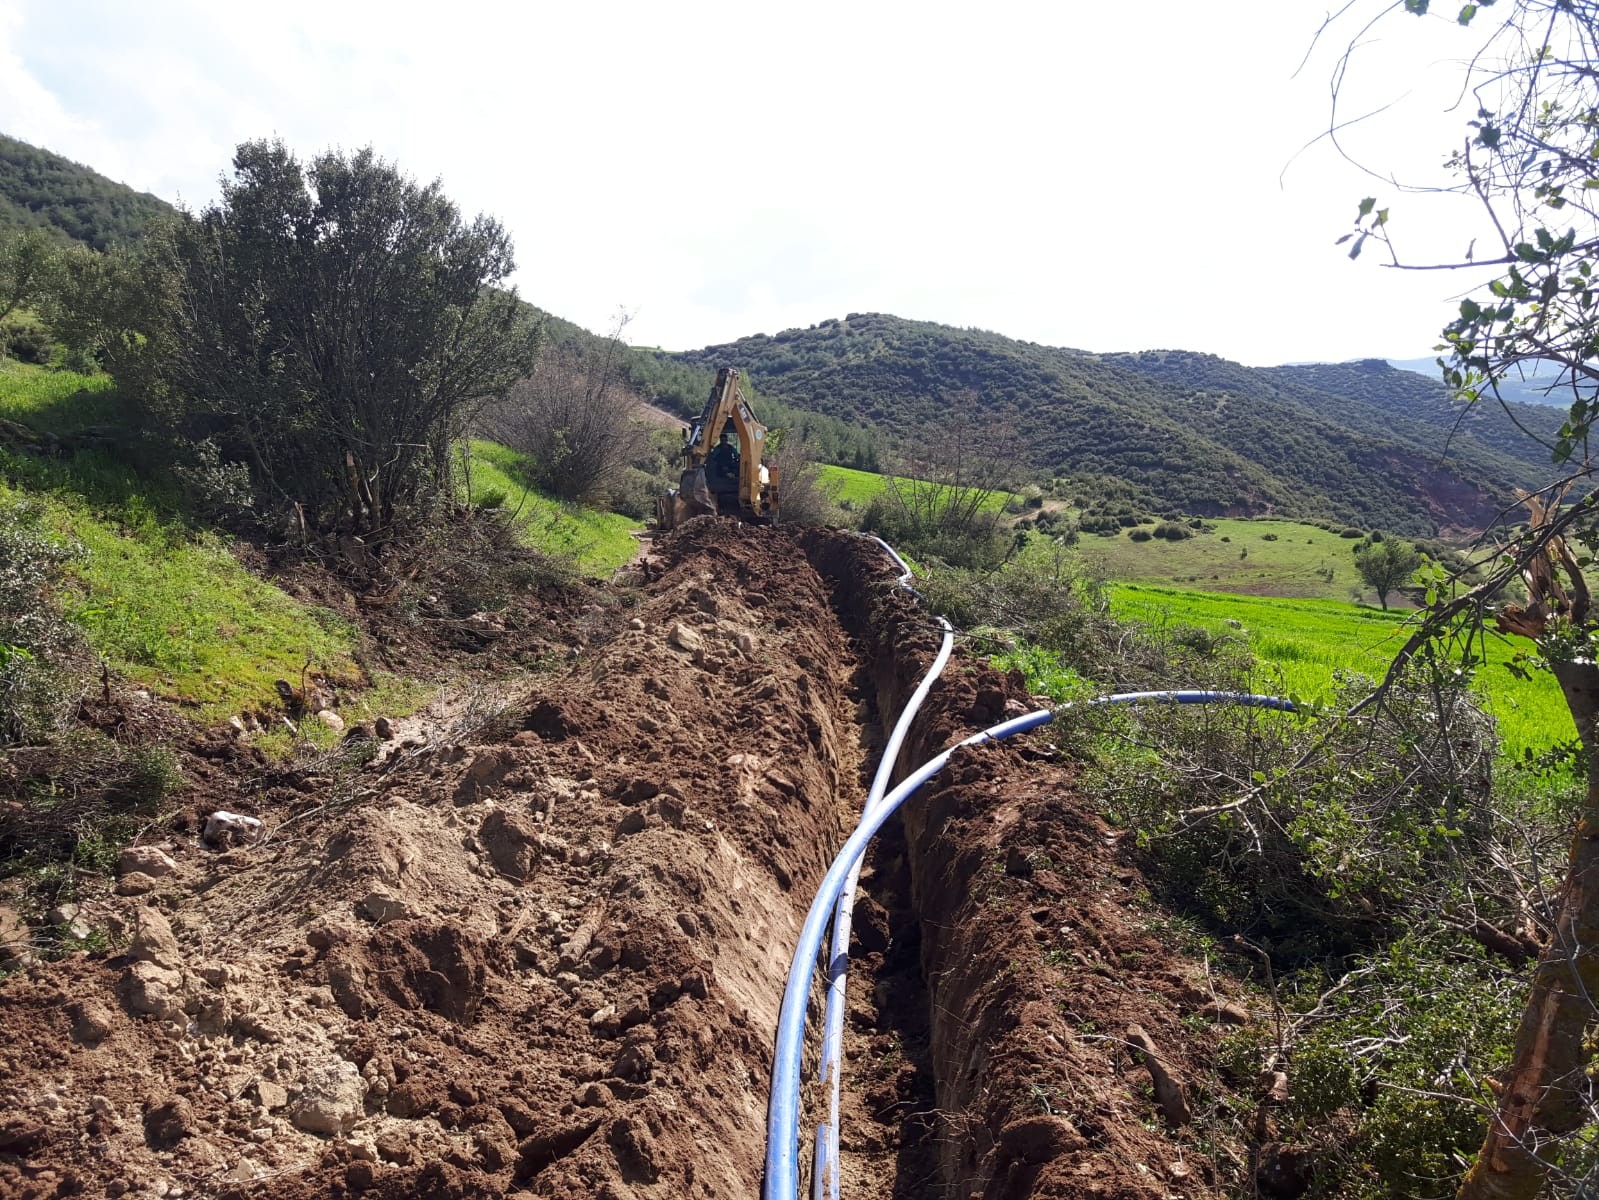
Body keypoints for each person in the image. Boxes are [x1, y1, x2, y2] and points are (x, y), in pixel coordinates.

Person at [706, 430, 740, 510]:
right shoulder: (717, 449)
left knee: (735, 469)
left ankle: (733, 477)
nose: (724, 442)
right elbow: (713, 457)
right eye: (722, 440)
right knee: (722, 470)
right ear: (720, 440)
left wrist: (737, 459)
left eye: (725, 440)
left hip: (730, 466)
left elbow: (736, 455)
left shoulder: (731, 448)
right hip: (720, 467)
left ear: (727, 440)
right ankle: (728, 476)